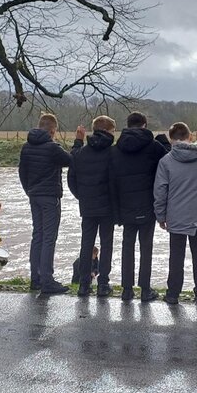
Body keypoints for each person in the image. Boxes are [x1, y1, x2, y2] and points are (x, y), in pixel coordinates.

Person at [19, 114, 84, 294]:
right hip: (50, 196)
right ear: (53, 130)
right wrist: (78, 141)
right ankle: (48, 280)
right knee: (49, 237)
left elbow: (21, 173)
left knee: (37, 235)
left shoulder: (26, 147)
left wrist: (29, 190)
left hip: (34, 195)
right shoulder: (52, 148)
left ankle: (35, 278)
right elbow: (72, 160)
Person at [154, 123, 197, 305]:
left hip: (176, 216)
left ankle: (173, 293)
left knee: (176, 257)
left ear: (170, 138)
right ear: (190, 136)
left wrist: (161, 215)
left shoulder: (166, 161)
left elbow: (160, 191)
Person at [109, 112, 168, 301]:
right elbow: (168, 163)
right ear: (144, 125)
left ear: (127, 125)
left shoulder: (117, 148)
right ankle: (145, 289)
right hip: (147, 204)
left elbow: (112, 179)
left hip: (125, 204)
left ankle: (126, 289)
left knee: (127, 246)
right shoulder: (154, 147)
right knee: (146, 247)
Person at [67, 115, 116, 297]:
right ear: (109, 131)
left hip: (87, 205)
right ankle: (103, 284)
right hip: (107, 206)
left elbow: (71, 178)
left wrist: (82, 196)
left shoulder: (81, 153)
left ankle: (83, 284)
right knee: (107, 243)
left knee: (86, 244)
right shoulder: (113, 152)